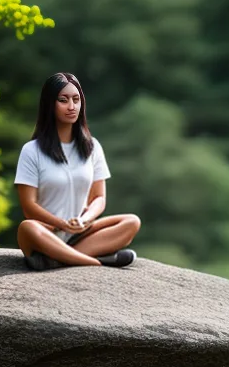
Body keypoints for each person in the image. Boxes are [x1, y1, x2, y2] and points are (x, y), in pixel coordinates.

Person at [14, 71, 141, 270]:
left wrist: (84, 220)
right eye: (63, 100)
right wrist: (61, 224)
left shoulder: (93, 147)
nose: (72, 107)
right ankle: (96, 262)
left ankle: (58, 260)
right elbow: (29, 206)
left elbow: (99, 198)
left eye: (76, 99)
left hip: (80, 232)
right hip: (46, 233)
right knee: (26, 227)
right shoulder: (32, 151)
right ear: (50, 104)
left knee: (131, 222)